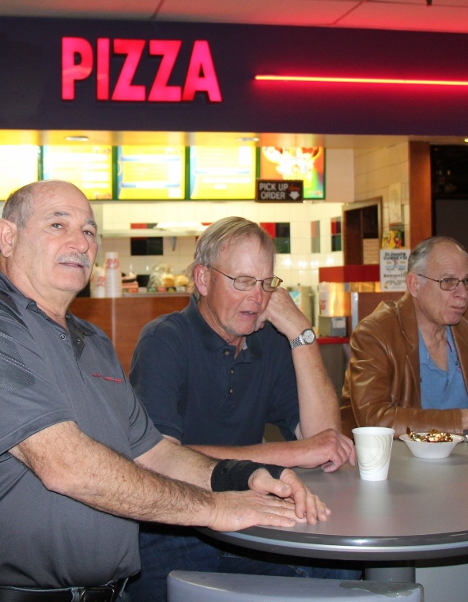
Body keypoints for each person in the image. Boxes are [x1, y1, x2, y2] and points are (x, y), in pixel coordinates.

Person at [0, 181, 329, 602]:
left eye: (88, 230)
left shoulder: (93, 341)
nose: (79, 242)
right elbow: (67, 466)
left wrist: (241, 476)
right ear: (8, 237)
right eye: (58, 224)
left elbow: (154, 452)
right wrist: (215, 508)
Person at [128, 216, 359, 601]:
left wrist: (301, 334)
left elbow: (324, 443)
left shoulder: (268, 341)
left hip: (248, 520)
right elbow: (156, 458)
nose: (258, 297)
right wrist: (289, 454)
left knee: (338, 573)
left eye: (266, 284)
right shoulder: (164, 340)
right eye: (243, 282)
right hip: (174, 528)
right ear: (203, 280)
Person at [341, 236, 468, 435]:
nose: (462, 293)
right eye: (449, 281)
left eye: (467, 281)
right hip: (404, 461)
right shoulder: (376, 333)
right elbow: (374, 420)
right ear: (415, 285)